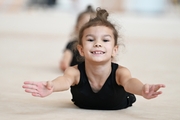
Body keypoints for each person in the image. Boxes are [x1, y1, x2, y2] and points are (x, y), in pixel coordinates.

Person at [22, 8, 165, 110]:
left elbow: (129, 83)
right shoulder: (74, 72)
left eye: (105, 40)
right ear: (81, 49)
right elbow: (65, 81)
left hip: (120, 103)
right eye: (91, 39)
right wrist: (52, 86)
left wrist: (142, 89)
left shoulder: (120, 73)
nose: (98, 43)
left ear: (114, 50)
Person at [59, 5, 95, 71]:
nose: (89, 28)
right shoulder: (72, 45)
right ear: (76, 28)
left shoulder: (99, 46)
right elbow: (64, 63)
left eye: (93, 25)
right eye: (85, 25)